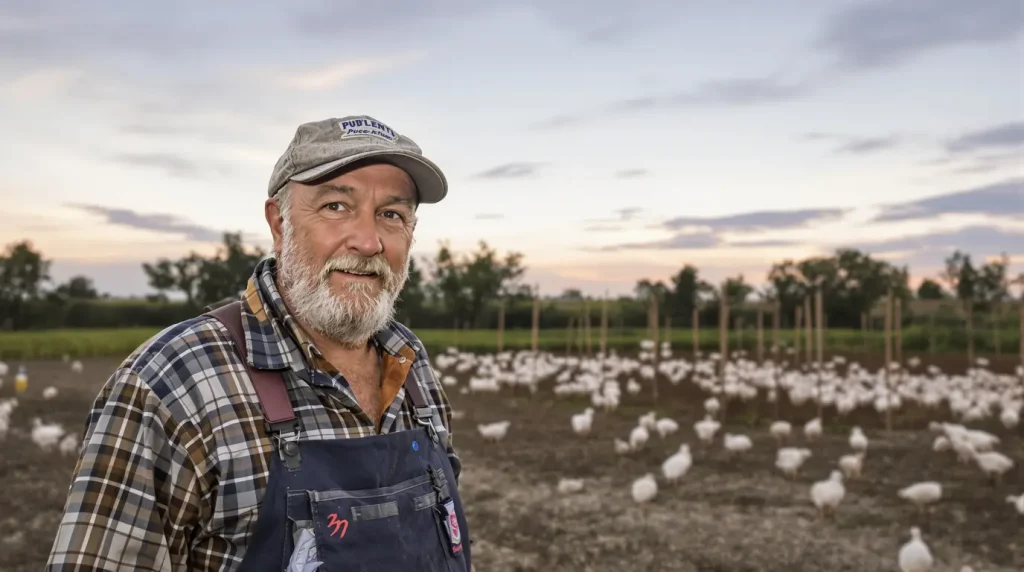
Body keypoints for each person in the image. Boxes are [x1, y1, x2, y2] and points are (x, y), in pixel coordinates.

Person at [46, 115, 472, 571]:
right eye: (335, 206)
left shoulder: (412, 366)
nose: (368, 241)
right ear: (279, 223)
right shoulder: (171, 383)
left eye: (392, 214)